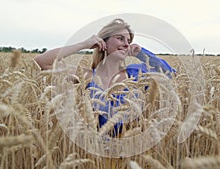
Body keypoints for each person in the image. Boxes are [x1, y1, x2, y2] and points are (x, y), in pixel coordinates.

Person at [34, 18, 175, 136]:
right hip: (94, 154)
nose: (126, 44)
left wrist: (142, 53)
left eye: (128, 40)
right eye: (120, 38)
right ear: (103, 43)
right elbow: (42, 62)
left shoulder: (136, 74)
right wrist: (84, 44)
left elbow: (170, 74)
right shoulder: (85, 76)